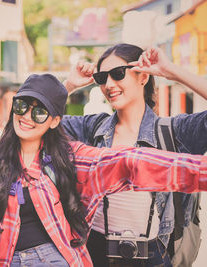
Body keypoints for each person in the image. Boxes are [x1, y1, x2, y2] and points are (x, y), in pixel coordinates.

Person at [0, 73, 207, 267]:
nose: (26, 116)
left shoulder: (71, 158)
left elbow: (130, 163)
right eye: (22, 105)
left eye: (39, 111)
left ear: (55, 121)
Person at [61, 44, 207, 266]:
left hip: (154, 256)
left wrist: (171, 71)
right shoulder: (92, 128)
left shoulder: (174, 131)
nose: (109, 85)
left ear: (143, 77)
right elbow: (30, 123)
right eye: (102, 77)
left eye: (118, 74)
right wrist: (69, 86)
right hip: (94, 253)